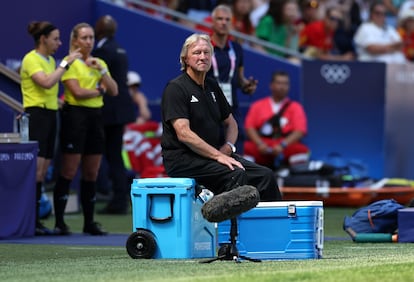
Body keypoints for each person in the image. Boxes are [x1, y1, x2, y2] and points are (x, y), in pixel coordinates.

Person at [161, 33, 281, 224]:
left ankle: (273, 232)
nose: (203, 57)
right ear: (185, 58)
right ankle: (230, 237)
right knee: (236, 173)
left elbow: (231, 123)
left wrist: (228, 148)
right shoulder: (176, 88)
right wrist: (218, 156)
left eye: (207, 53)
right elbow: (184, 134)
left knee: (265, 176)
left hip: (214, 154)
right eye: (197, 52)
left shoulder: (211, 85)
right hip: (184, 160)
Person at [53, 22, 118, 235]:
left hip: (95, 118)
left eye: (91, 37)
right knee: (69, 170)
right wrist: (99, 90)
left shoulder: (97, 62)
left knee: (92, 171)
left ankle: (89, 222)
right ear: (75, 40)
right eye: (84, 38)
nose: (89, 41)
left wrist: (103, 70)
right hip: (75, 117)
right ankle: (60, 222)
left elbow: (115, 90)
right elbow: (78, 92)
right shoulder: (69, 62)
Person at [20, 21, 81, 235]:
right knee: (35, 172)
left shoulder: (49, 60)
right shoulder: (31, 59)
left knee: (43, 172)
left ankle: (36, 221)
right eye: (55, 38)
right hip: (36, 116)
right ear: (43, 39)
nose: (59, 42)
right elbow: (45, 83)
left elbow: (50, 88)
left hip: (50, 115)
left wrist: (58, 101)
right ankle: (31, 220)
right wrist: (65, 64)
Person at [92, 15, 136, 215]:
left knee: (108, 155)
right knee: (115, 154)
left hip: (108, 108)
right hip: (121, 108)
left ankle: (116, 199)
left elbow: (99, 80)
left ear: (98, 30)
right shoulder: (121, 49)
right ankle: (119, 197)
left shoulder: (102, 51)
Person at [207, 4, 258, 154]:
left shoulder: (236, 49)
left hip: (231, 110)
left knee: (236, 155)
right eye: (220, 19)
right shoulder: (204, 47)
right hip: (209, 110)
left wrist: (247, 86)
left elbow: (240, 78)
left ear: (232, 23)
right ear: (212, 22)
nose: (223, 22)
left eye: (227, 19)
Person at [244, 70, 310, 170]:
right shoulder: (258, 105)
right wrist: (260, 144)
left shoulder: (296, 107)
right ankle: (250, 176)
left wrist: (282, 145)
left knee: (301, 149)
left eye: (285, 84)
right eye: (279, 83)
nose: (282, 87)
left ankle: (292, 179)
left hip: (284, 144)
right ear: (271, 85)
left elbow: (300, 131)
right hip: (263, 143)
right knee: (246, 148)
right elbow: (249, 127)